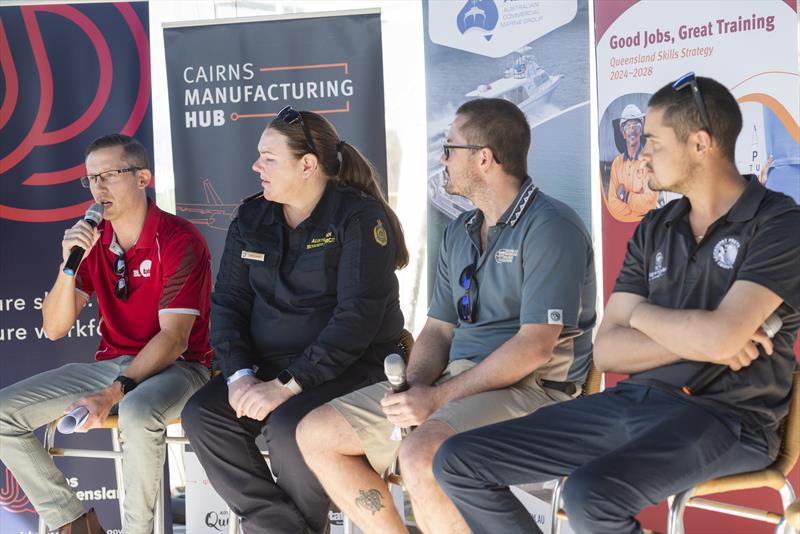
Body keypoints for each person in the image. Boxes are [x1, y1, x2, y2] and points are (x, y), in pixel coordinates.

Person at [433, 75, 800, 534]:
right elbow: (608, 351)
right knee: (457, 459)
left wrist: (642, 317)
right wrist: (702, 339)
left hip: (727, 418)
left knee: (592, 494)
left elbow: (721, 335)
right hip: (632, 401)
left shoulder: (779, 223)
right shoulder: (656, 227)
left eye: (653, 141)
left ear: (701, 144)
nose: (641, 152)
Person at [297, 98, 596, 534]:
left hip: (535, 392)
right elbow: (438, 328)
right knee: (316, 434)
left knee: (421, 454)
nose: (442, 158)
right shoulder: (459, 230)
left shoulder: (551, 226)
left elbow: (535, 348)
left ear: (484, 158)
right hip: (456, 384)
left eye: (449, 148)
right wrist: (414, 387)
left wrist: (436, 399)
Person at [180, 106, 409, 534]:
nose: (256, 166)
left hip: (350, 367)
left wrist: (286, 386)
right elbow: (227, 302)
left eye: (269, 157)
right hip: (266, 369)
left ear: (308, 165)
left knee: (290, 428)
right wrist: (240, 377)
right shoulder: (251, 216)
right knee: (203, 414)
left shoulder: (358, 217)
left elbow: (356, 320)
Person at [0, 134, 213, 533]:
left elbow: (174, 338)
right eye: (91, 178)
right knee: (2, 413)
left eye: (110, 175)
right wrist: (68, 265)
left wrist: (114, 392)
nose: (99, 187)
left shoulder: (179, 239)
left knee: (135, 410)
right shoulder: (93, 240)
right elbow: (53, 327)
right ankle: (74, 524)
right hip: (116, 363)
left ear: (142, 178)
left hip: (181, 367)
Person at [607, 103, 658, 221]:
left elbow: (650, 204)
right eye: (628, 126)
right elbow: (612, 202)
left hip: (646, 226)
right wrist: (636, 208)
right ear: (623, 133)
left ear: (641, 131)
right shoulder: (617, 164)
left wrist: (624, 196)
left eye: (636, 125)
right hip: (622, 226)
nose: (632, 130)